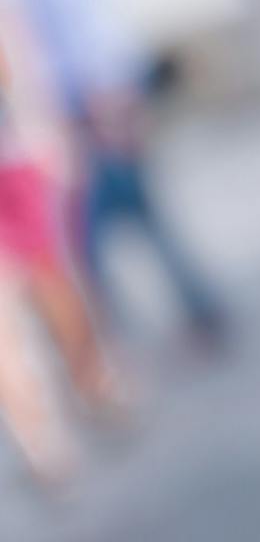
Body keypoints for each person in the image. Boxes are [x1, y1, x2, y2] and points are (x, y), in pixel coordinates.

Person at [0, 0, 228, 350]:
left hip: (92, 98)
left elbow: (78, 33)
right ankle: (173, 318)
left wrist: (104, 101)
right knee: (124, 218)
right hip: (98, 93)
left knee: (103, 224)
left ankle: (148, 327)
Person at [0, 38, 121, 489]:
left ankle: (53, 431)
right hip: (14, 158)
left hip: (13, 161)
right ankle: (62, 419)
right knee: (26, 309)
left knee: (46, 292)